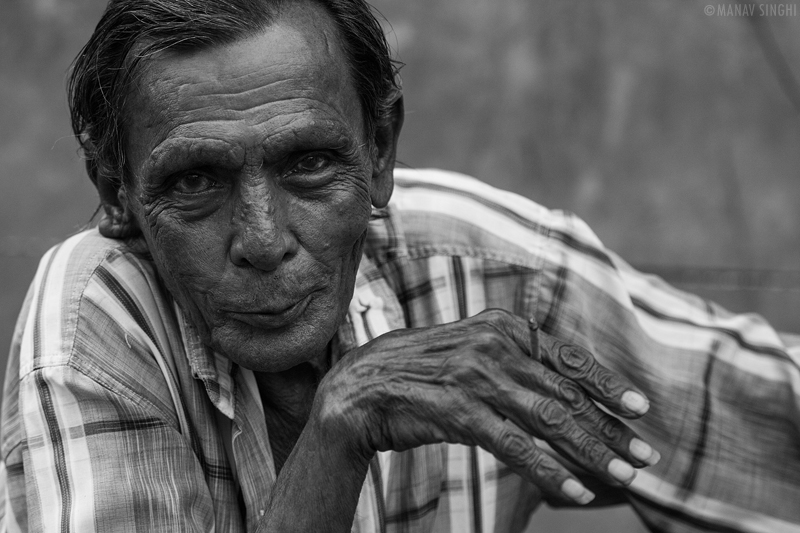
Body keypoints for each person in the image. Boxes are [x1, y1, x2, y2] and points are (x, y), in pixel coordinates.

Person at [1, 0, 799, 531]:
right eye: (196, 181)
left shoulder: (480, 260)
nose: (263, 237)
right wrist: (340, 425)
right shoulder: (92, 322)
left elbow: (763, 423)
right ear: (115, 191)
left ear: (380, 152)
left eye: (309, 163)